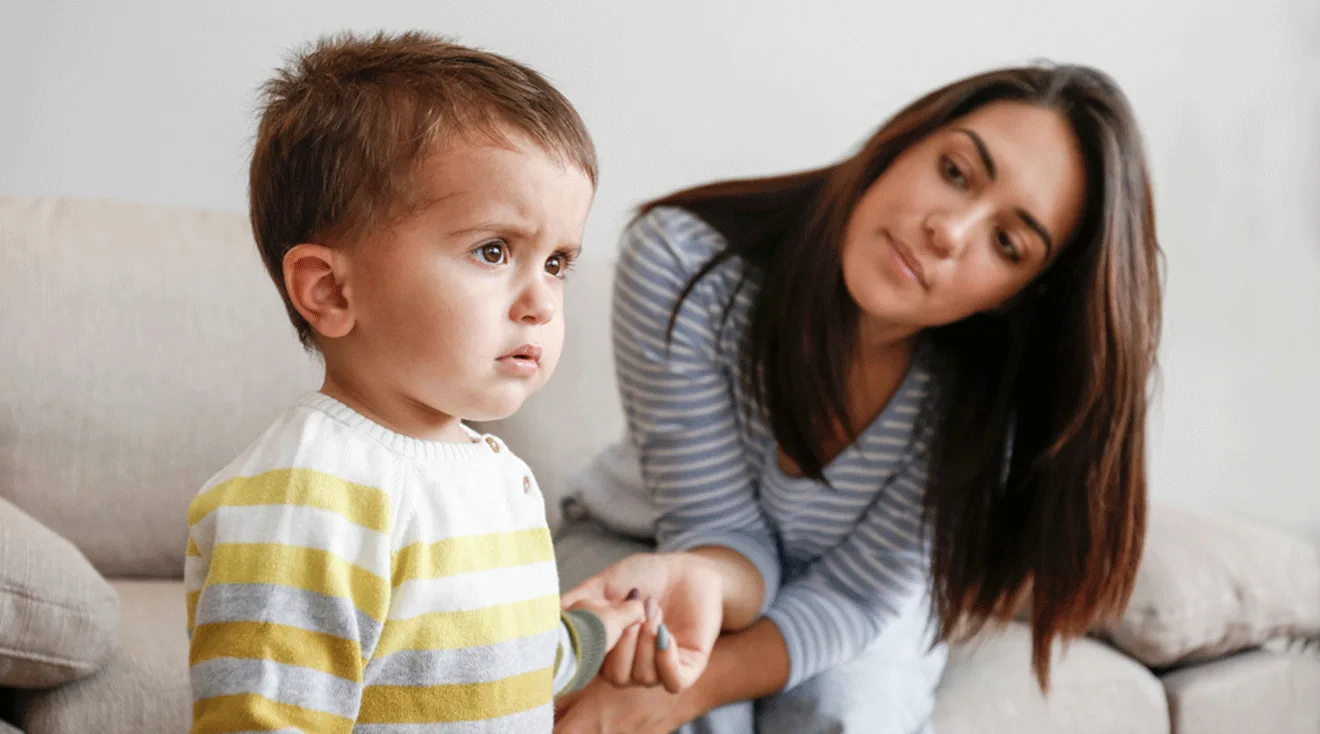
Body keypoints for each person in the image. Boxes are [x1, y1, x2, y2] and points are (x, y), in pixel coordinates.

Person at [554, 63, 1163, 733]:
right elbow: (716, 533)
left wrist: (693, 689)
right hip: (654, 541)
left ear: (1017, 294)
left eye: (1007, 242)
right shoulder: (680, 261)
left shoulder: (979, 405)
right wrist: (691, 678)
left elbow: (854, 597)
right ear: (904, 140)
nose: (949, 232)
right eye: (956, 172)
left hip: (850, 592)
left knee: (845, 712)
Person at [184, 31, 660, 732]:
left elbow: (490, 660)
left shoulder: (492, 475)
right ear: (331, 293)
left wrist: (596, 633)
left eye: (558, 262)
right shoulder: (306, 495)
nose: (543, 301)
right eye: (494, 250)